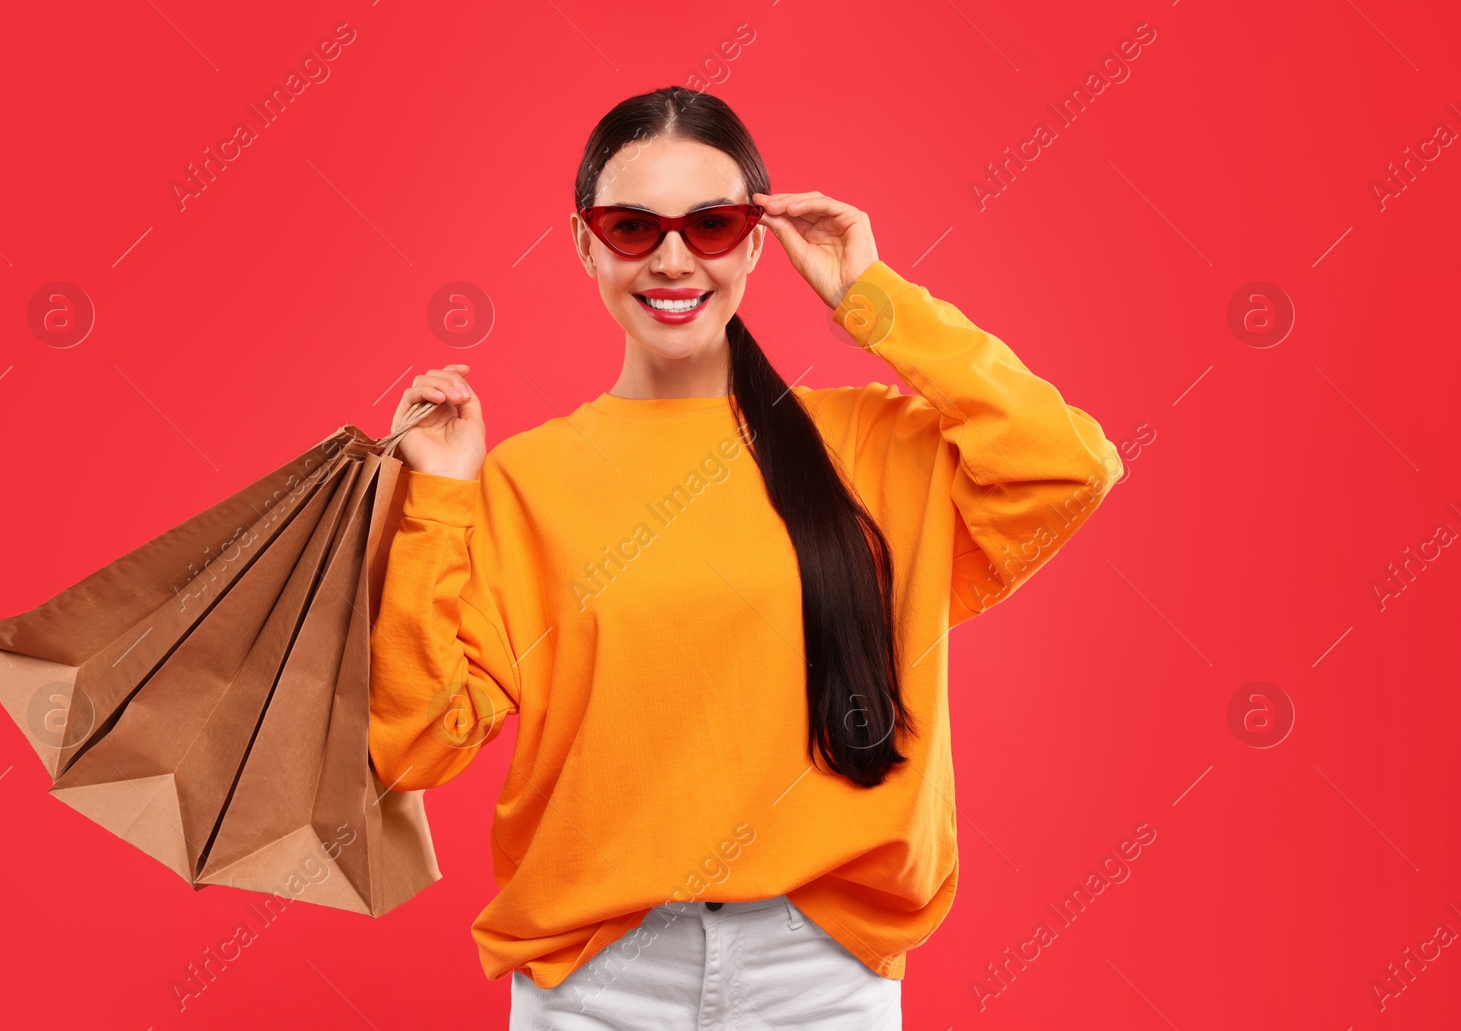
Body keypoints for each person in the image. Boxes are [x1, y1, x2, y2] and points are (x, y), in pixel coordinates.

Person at [368, 85, 1123, 1030]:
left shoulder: (873, 445)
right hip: (597, 980)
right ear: (584, 243)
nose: (674, 258)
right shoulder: (525, 480)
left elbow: (1068, 469)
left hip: (820, 973)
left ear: (759, 240)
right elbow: (416, 744)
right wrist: (436, 498)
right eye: (633, 226)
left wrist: (873, 298)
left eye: (713, 224)